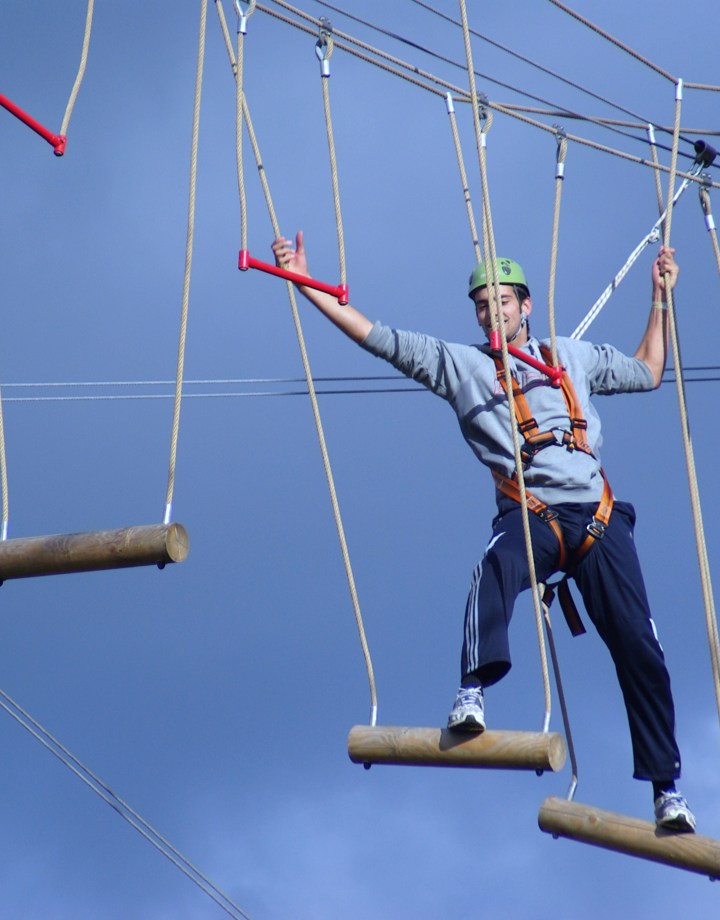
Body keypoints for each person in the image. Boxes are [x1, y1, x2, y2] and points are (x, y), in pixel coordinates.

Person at [271, 231, 696, 833]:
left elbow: (650, 371)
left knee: (641, 647)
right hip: (534, 513)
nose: (489, 312)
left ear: (525, 306)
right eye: (480, 304)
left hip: (598, 517)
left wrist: (660, 297)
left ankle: (666, 788)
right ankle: (471, 690)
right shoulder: (463, 366)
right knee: (495, 570)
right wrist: (304, 282)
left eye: (500, 301)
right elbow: (375, 336)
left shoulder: (572, 356)